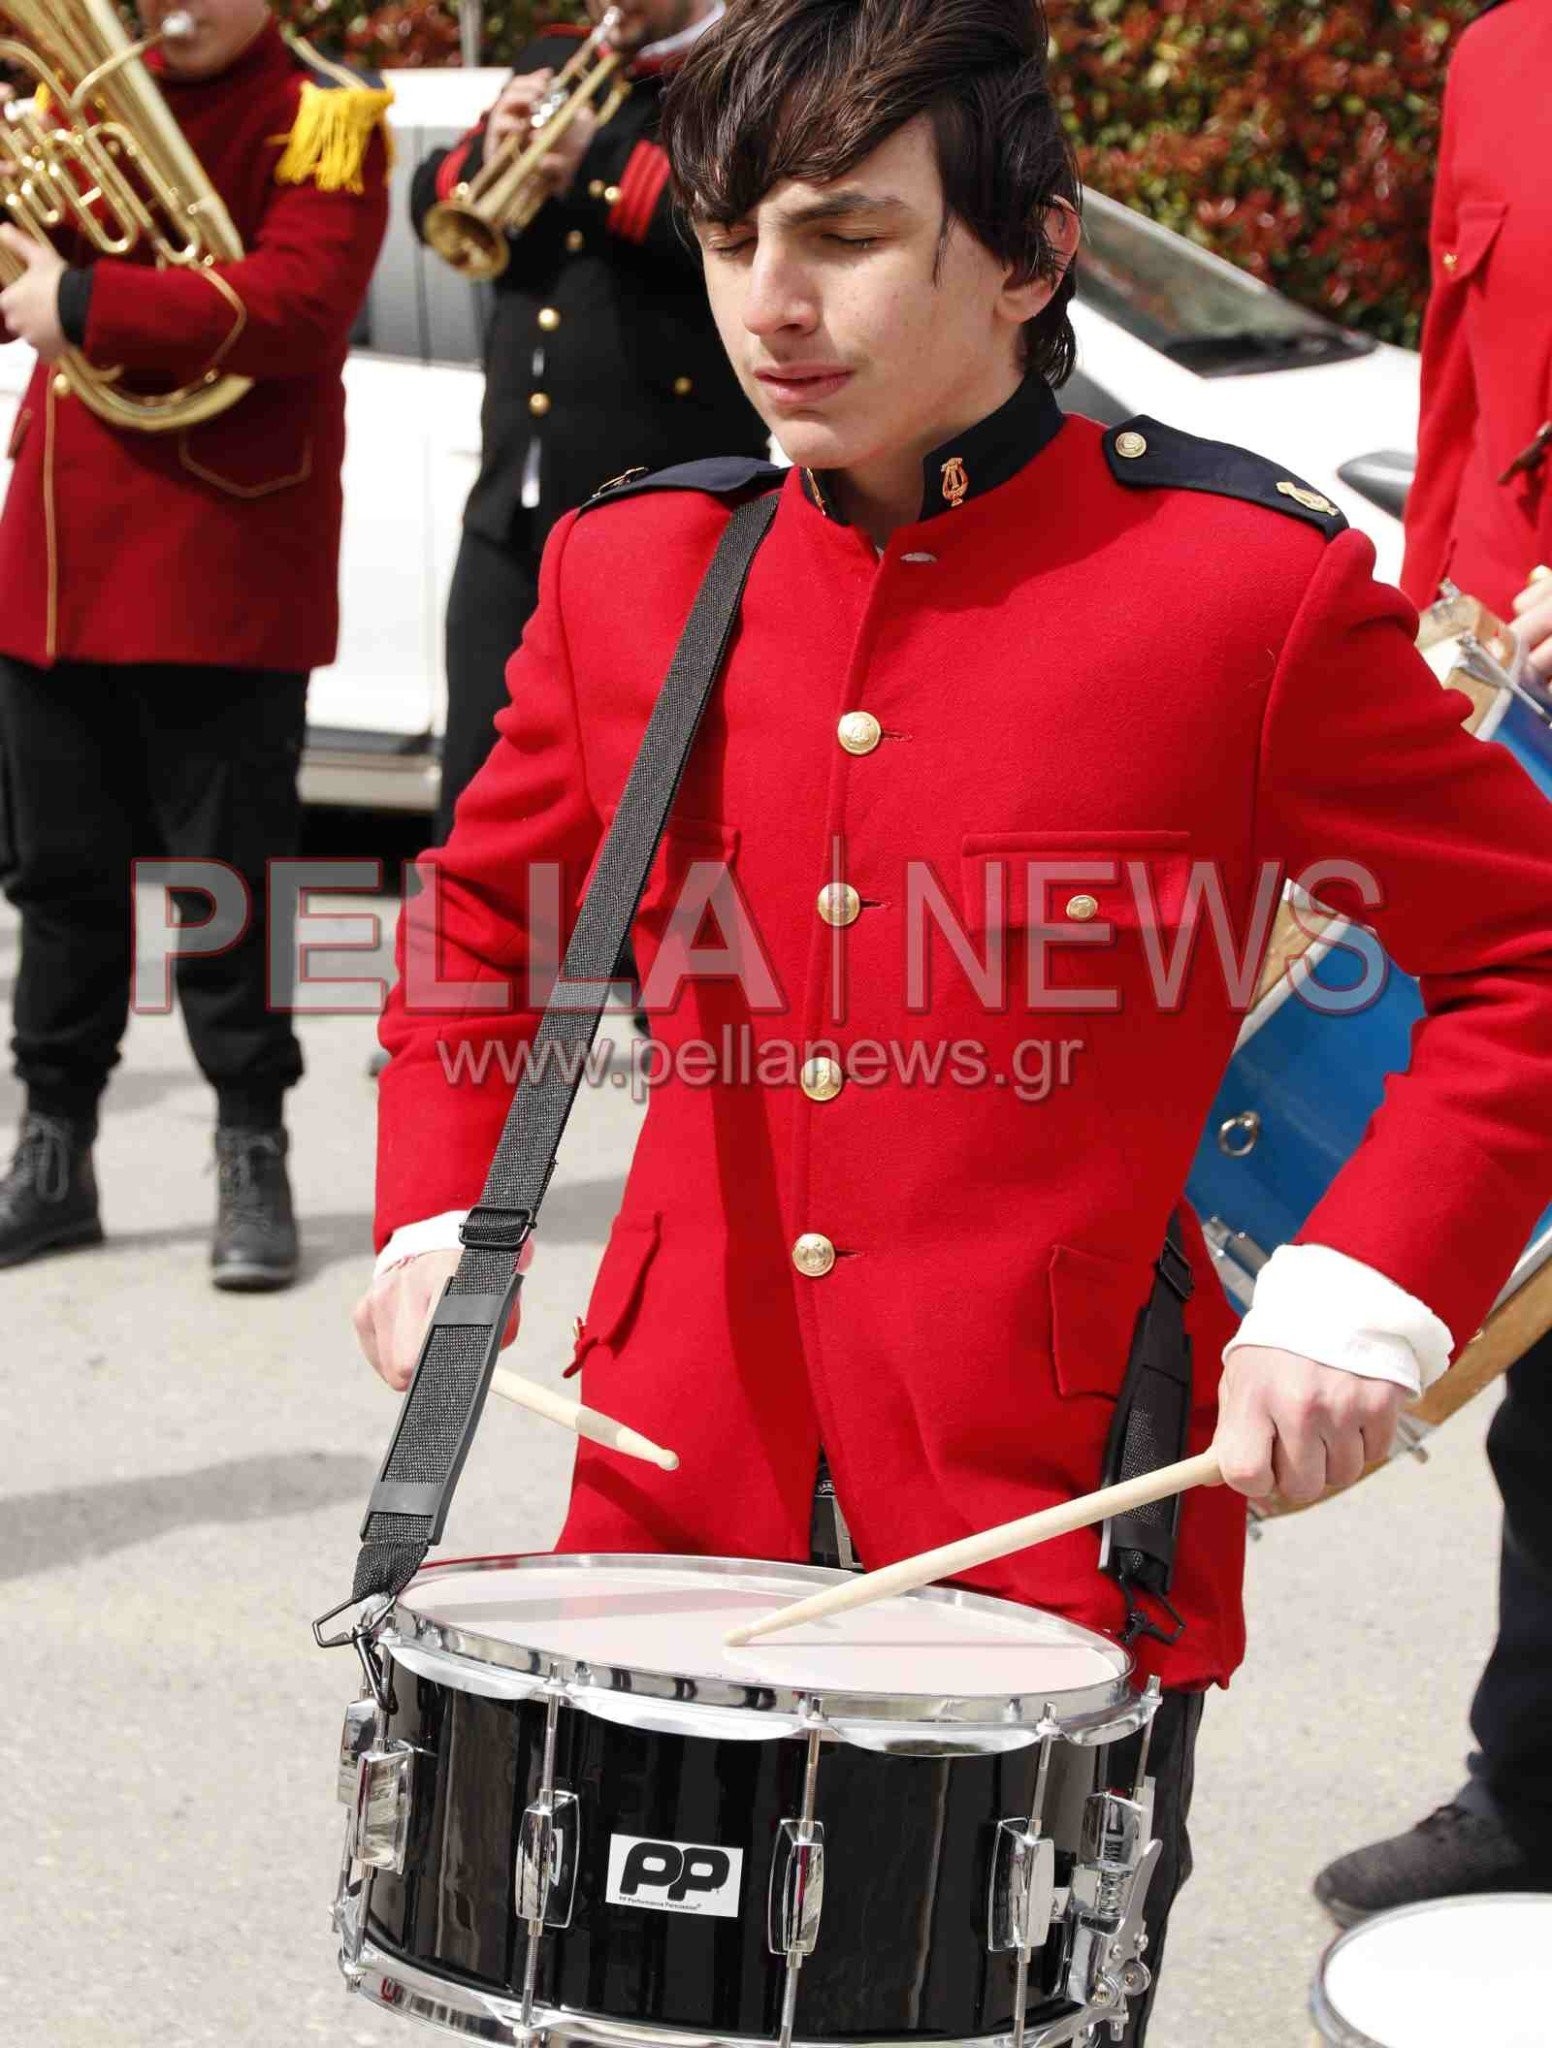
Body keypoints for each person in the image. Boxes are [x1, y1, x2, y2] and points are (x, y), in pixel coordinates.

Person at [354, 0, 1552, 2035]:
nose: (768, 303)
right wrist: (430, 1212)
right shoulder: (637, 565)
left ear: (1026, 251)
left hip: (1047, 1505)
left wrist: (1359, 1293)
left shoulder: (1232, 590)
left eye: (841, 233)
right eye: (732, 240)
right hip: (666, 1483)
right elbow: (483, 909)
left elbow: (1523, 957)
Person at [0, 0, 389, 1288]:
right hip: (58, 558)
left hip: (226, 564)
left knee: (230, 884)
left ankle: (250, 1142)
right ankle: (52, 1149)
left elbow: (299, 307)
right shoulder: (74, 100)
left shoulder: (323, 113)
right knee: (57, 884)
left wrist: (82, 297)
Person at [1313, 0, 1552, 1926]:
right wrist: (1420, 690)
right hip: (1530, 745)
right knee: (1540, 1350)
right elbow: (1466, 413)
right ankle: (1537, 1786)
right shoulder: (1502, 53)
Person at [408, 0, 768, 842]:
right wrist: (489, 153)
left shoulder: (748, 71)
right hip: (512, 513)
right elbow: (433, 195)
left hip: (669, 512)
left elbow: (736, 232)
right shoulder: (555, 55)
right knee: (481, 793)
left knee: (655, 806)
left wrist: (597, 162)